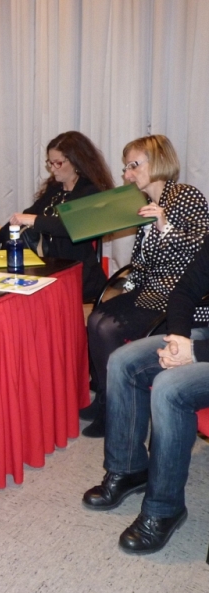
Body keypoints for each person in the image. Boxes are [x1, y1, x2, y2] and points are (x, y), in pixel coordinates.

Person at [82, 237, 209, 555]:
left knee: (171, 388)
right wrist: (179, 338)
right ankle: (127, 468)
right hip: (201, 338)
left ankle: (164, 508)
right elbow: (185, 289)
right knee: (124, 361)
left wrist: (193, 353)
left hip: (204, 348)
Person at [82, 135, 209, 438]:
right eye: (126, 167)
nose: (127, 174)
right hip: (150, 290)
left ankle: (114, 410)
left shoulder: (186, 195)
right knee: (96, 318)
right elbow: (140, 262)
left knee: (106, 326)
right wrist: (127, 289)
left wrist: (164, 225)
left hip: (181, 297)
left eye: (133, 165)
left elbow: (200, 250)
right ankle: (105, 398)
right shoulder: (146, 204)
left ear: (158, 161)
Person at [0, 131, 114, 301]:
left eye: (58, 163)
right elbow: (28, 214)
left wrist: (35, 221)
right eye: (50, 163)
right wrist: (2, 236)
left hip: (77, 272)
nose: (52, 169)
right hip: (48, 266)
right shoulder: (55, 188)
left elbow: (72, 226)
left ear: (76, 162)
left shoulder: (90, 191)